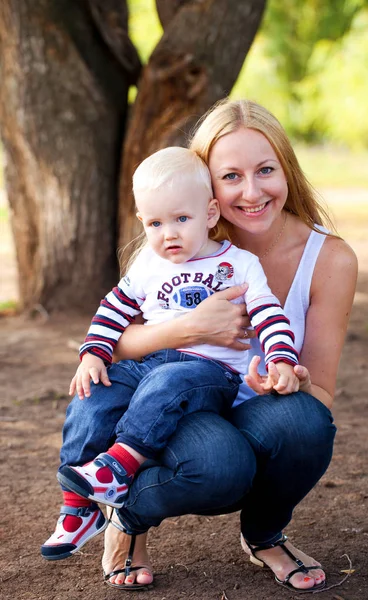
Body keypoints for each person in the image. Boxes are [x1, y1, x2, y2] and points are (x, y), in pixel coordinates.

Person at [41, 147, 300, 573]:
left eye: (182, 219)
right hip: (151, 363)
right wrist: (92, 354)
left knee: (169, 381)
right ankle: (78, 505)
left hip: (208, 374)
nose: (169, 234)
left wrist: (281, 359)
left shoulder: (238, 264)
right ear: (143, 222)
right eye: (156, 223)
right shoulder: (148, 262)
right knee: (93, 395)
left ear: (211, 213)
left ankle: (120, 465)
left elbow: (269, 314)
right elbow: (113, 310)